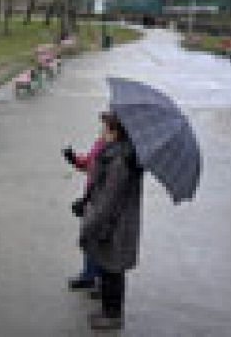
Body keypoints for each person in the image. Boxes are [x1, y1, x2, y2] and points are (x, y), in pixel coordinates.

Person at [77, 112, 144, 331]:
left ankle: (113, 316)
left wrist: (89, 225)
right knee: (109, 270)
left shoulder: (120, 161)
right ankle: (108, 310)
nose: (101, 132)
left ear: (116, 133)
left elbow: (108, 200)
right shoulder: (120, 153)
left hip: (114, 227)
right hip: (117, 225)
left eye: (105, 129)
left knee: (113, 271)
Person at [63, 137, 105, 295]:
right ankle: (89, 275)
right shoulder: (102, 143)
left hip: (105, 204)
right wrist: (74, 159)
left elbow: (113, 185)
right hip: (93, 200)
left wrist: (88, 200)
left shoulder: (122, 154)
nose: (102, 129)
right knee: (89, 239)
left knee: (104, 243)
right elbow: (90, 165)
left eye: (106, 125)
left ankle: (105, 284)